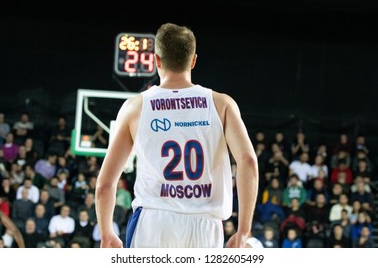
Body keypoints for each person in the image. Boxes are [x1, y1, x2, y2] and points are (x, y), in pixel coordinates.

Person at [95, 23, 259, 248]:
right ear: (193, 61)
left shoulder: (135, 107)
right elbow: (248, 162)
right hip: (206, 226)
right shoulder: (222, 104)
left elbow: (105, 183)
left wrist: (106, 233)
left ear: (157, 61)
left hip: (153, 222)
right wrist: (243, 231)